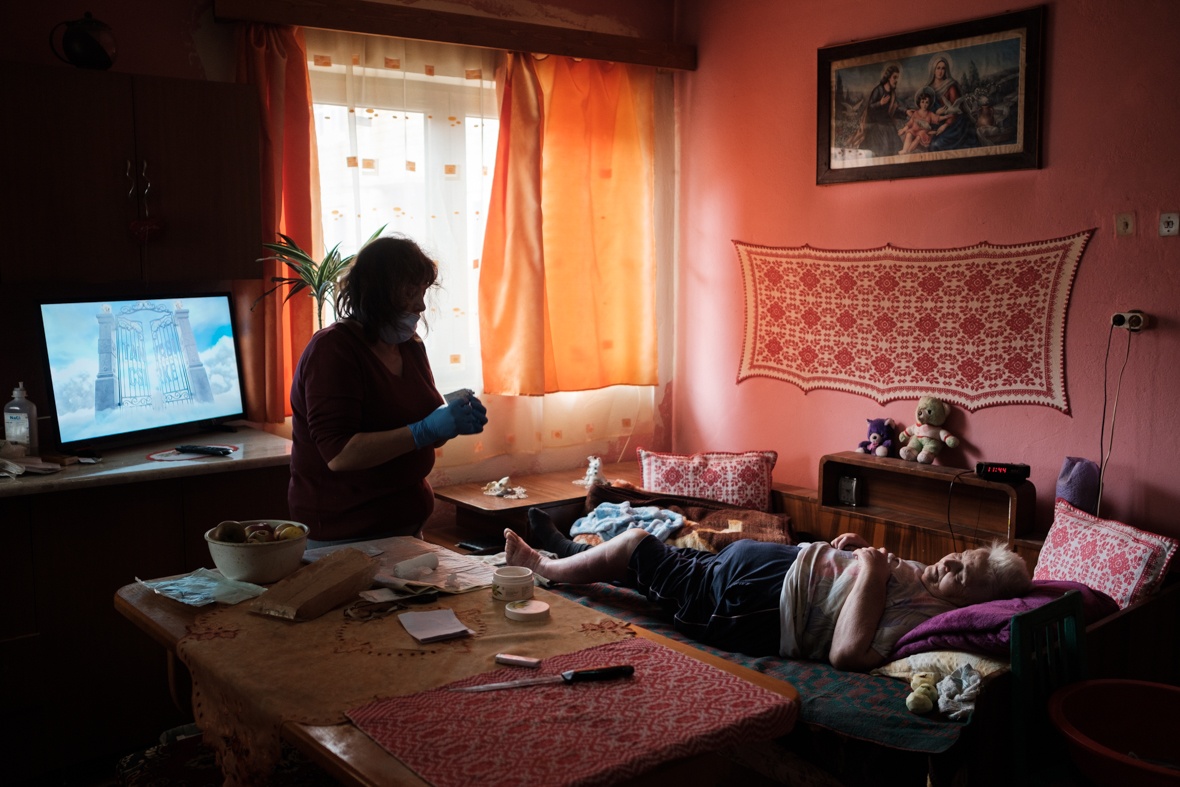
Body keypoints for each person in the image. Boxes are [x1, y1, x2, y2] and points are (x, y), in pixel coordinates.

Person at [505, 524, 1032, 672]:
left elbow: (847, 652)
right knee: (656, 564)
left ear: (970, 605)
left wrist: (870, 570)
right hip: (754, 575)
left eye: (963, 575)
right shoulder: (930, 578)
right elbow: (856, 584)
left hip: (749, 604)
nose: (950, 564)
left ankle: (545, 567)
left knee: (638, 546)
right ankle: (569, 552)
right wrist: (851, 552)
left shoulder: (927, 619)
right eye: (962, 556)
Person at [289, 235, 488, 544]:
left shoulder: (409, 346)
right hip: (344, 533)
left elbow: (418, 426)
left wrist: (451, 421)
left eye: (423, 291)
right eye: (411, 292)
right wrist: (425, 429)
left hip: (405, 528)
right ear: (378, 293)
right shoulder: (333, 350)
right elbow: (339, 454)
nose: (421, 305)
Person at [848, 63, 904, 158]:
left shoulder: (892, 93)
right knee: (884, 143)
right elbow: (870, 107)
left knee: (893, 140)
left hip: (886, 121)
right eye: (894, 77)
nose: (896, 80)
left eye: (897, 78)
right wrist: (880, 103)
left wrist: (906, 112)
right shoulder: (878, 90)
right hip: (876, 122)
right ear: (888, 77)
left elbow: (894, 109)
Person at [924, 54, 979, 152]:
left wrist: (945, 125)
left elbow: (954, 109)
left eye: (943, 68)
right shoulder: (928, 89)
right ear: (933, 69)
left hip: (953, 123)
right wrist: (936, 113)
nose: (940, 71)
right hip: (935, 122)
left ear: (946, 70)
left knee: (937, 143)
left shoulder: (950, 86)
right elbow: (925, 108)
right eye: (938, 68)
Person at [898, 87, 949, 154]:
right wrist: (903, 130)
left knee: (919, 137)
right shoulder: (916, 113)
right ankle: (905, 150)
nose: (924, 105)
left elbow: (937, 118)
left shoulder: (930, 114)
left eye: (926, 102)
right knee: (909, 134)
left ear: (929, 103)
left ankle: (908, 151)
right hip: (914, 130)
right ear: (919, 103)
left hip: (923, 132)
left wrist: (946, 116)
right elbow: (910, 123)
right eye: (922, 102)